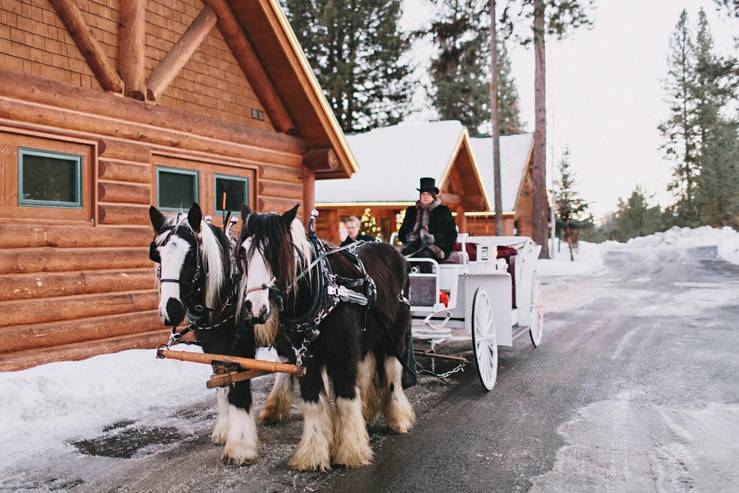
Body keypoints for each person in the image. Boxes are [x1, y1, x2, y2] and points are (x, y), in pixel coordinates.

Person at [398, 177, 457, 261]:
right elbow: (402, 232)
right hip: (413, 246)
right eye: (423, 194)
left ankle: (425, 274)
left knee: (423, 256)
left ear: (433, 196)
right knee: (399, 256)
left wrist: (434, 238)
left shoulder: (442, 211)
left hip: (436, 247)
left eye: (428, 194)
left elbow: (451, 235)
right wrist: (407, 237)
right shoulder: (412, 211)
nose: (425, 197)